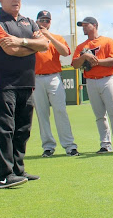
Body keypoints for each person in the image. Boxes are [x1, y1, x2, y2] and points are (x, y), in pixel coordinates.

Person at [0, 0, 49, 188]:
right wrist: (32, 46)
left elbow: (45, 45)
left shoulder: (29, 21)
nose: (15, 0)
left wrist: (22, 42)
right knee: (5, 128)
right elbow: (9, 50)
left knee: (23, 129)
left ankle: (18, 170)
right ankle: (3, 175)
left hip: (26, 81)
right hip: (3, 81)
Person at [72, 16, 113, 154]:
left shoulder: (107, 41)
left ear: (95, 25)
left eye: (86, 25)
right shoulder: (82, 46)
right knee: (99, 115)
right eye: (82, 26)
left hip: (108, 79)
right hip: (91, 81)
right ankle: (105, 144)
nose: (84, 28)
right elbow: (74, 64)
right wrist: (84, 57)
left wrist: (95, 61)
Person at [33, 10, 79, 157]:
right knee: (42, 113)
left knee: (60, 111)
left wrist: (49, 36)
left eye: (47, 20)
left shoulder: (56, 37)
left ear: (50, 22)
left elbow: (65, 52)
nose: (44, 23)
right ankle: (48, 146)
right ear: (36, 21)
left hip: (53, 77)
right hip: (36, 78)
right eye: (42, 20)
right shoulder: (31, 37)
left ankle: (69, 146)